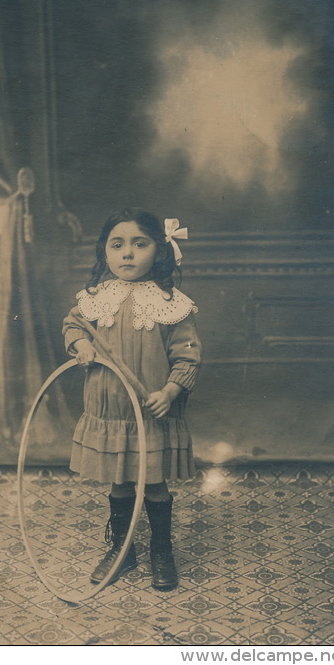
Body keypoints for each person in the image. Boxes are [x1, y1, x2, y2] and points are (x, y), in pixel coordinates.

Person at [62, 208, 201, 590]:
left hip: (150, 415)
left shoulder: (171, 303)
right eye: (117, 245)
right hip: (110, 414)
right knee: (120, 483)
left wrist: (169, 392)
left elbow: (187, 356)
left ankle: (161, 549)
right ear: (104, 252)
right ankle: (123, 550)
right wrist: (82, 343)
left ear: (159, 251)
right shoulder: (96, 298)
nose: (127, 253)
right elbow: (73, 324)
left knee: (154, 484)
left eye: (139, 244)